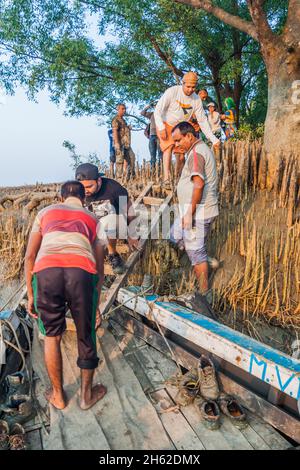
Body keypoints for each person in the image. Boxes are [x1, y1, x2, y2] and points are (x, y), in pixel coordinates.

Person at [25, 181, 107, 411]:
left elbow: (29, 257)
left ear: (61, 198)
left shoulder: (44, 212)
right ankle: (86, 397)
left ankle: (59, 396)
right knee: (86, 335)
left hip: (47, 272)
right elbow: (99, 269)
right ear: (84, 199)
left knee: (52, 337)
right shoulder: (94, 220)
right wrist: (95, 304)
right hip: (81, 273)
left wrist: (32, 294)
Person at [170, 122, 219, 299]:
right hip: (192, 210)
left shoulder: (197, 154)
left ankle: (205, 292)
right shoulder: (193, 151)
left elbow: (198, 185)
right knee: (174, 235)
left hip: (198, 213)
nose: (175, 145)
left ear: (189, 136)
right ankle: (201, 257)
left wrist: (189, 215)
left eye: (177, 140)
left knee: (196, 253)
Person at [154, 72, 220, 188]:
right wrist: (161, 127)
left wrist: (214, 139)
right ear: (182, 83)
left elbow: (202, 121)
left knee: (180, 155)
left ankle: (179, 179)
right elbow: (157, 110)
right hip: (167, 124)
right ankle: (166, 179)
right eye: (188, 86)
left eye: (193, 87)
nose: (190, 90)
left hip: (181, 127)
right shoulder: (172, 92)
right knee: (168, 147)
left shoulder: (196, 100)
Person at [75, 163, 140, 275]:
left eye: (89, 186)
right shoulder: (76, 193)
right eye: (82, 187)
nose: (85, 191)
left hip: (116, 225)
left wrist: (132, 234)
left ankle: (113, 255)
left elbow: (129, 210)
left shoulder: (113, 188)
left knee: (110, 219)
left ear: (99, 181)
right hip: (93, 230)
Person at [111, 103, 134, 180]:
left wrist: (128, 128)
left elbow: (123, 130)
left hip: (126, 144)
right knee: (119, 161)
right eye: (122, 109)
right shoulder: (115, 119)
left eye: (125, 109)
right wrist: (117, 143)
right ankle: (119, 178)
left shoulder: (123, 120)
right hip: (120, 144)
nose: (124, 110)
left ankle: (130, 176)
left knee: (132, 157)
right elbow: (114, 131)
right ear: (118, 109)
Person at [141, 102, 162, 169]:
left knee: (160, 155)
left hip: (160, 136)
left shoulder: (163, 114)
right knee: (152, 156)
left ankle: (160, 171)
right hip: (152, 136)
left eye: (157, 105)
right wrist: (149, 106)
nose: (156, 107)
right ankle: (153, 172)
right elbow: (142, 113)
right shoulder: (151, 114)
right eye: (155, 106)